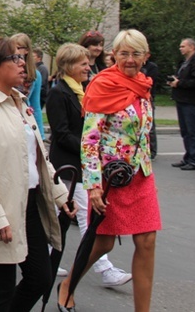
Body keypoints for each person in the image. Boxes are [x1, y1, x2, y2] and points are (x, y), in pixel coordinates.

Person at [0, 36, 73, 311]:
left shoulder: (19, 102)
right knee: (1, 288)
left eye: (22, 57)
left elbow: (39, 158)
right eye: (15, 58)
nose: (23, 64)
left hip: (29, 204)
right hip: (0, 207)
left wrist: (59, 193)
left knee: (40, 278)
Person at [57, 29, 161, 312]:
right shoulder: (103, 85)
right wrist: (93, 186)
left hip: (140, 176)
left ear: (146, 57)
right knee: (102, 244)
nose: (129, 59)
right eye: (123, 53)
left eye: (136, 53)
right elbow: (89, 140)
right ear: (114, 55)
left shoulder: (143, 85)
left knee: (147, 241)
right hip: (110, 180)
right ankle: (68, 285)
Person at [46, 43, 132, 288]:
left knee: (60, 214)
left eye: (87, 63)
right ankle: (104, 268)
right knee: (83, 216)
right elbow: (61, 133)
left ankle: (45, 256)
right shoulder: (59, 92)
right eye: (83, 63)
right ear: (68, 65)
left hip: (84, 164)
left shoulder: (85, 89)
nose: (88, 67)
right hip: (68, 165)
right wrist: (90, 148)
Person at [169, 38, 195, 171]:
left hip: (191, 101)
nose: (180, 48)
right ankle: (188, 157)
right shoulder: (184, 63)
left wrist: (179, 83)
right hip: (182, 99)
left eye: (183, 46)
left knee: (193, 130)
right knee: (185, 131)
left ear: (192, 47)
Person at [11, 34, 44, 139]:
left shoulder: (35, 75)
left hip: (26, 119)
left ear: (26, 50)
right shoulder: (7, 70)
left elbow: (35, 105)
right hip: (9, 117)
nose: (13, 50)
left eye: (18, 47)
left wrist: (40, 134)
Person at [140, 55, 160, 160]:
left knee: (150, 125)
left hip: (147, 97)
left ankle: (152, 150)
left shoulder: (151, 67)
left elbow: (150, 82)